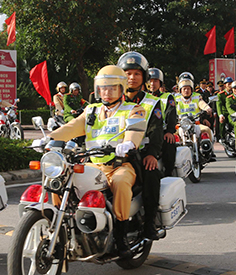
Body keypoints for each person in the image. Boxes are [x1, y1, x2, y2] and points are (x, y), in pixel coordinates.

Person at [45, 65, 146, 258]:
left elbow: (135, 130)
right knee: (62, 177)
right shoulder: (91, 110)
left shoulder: (133, 109)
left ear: (121, 88)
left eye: (111, 87)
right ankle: (61, 223)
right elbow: (72, 127)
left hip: (119, 165)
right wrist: (50, 138)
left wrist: (128, 144)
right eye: (103, 87)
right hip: (92, 164)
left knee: (121, 183)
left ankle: (121, 235)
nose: (106, 92)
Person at [117, 52, 165, 240]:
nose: (132, 78)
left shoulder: (151, 103)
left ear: (144, 77)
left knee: (151, 173)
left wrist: (152, 154)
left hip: (141, 153)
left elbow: (157, 131)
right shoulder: (110, 98)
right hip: (111, 152)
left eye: (137, 74)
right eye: (127, 73)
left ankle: (149, 222)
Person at [147, 67, 178, 177]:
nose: (152, 84)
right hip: (145, 132)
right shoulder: (143, 98)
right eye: (150, 81)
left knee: (169, 143)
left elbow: (171, 114)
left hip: (163, 131)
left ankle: (169, 171)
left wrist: (170, 131)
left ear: (160, 83)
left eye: (155, 81)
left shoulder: (167, 97)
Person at [176, 75, 216, 156]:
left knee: (207, 130)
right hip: (181, 124)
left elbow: (202, 103)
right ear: (180, 90)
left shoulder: (196, 96)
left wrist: (207, 108)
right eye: (184, 88)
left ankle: (209, 151)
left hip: (195, 124)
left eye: (188, 88)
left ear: (192, 89)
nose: (186, 90)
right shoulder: (175, 98)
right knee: (172, 136)